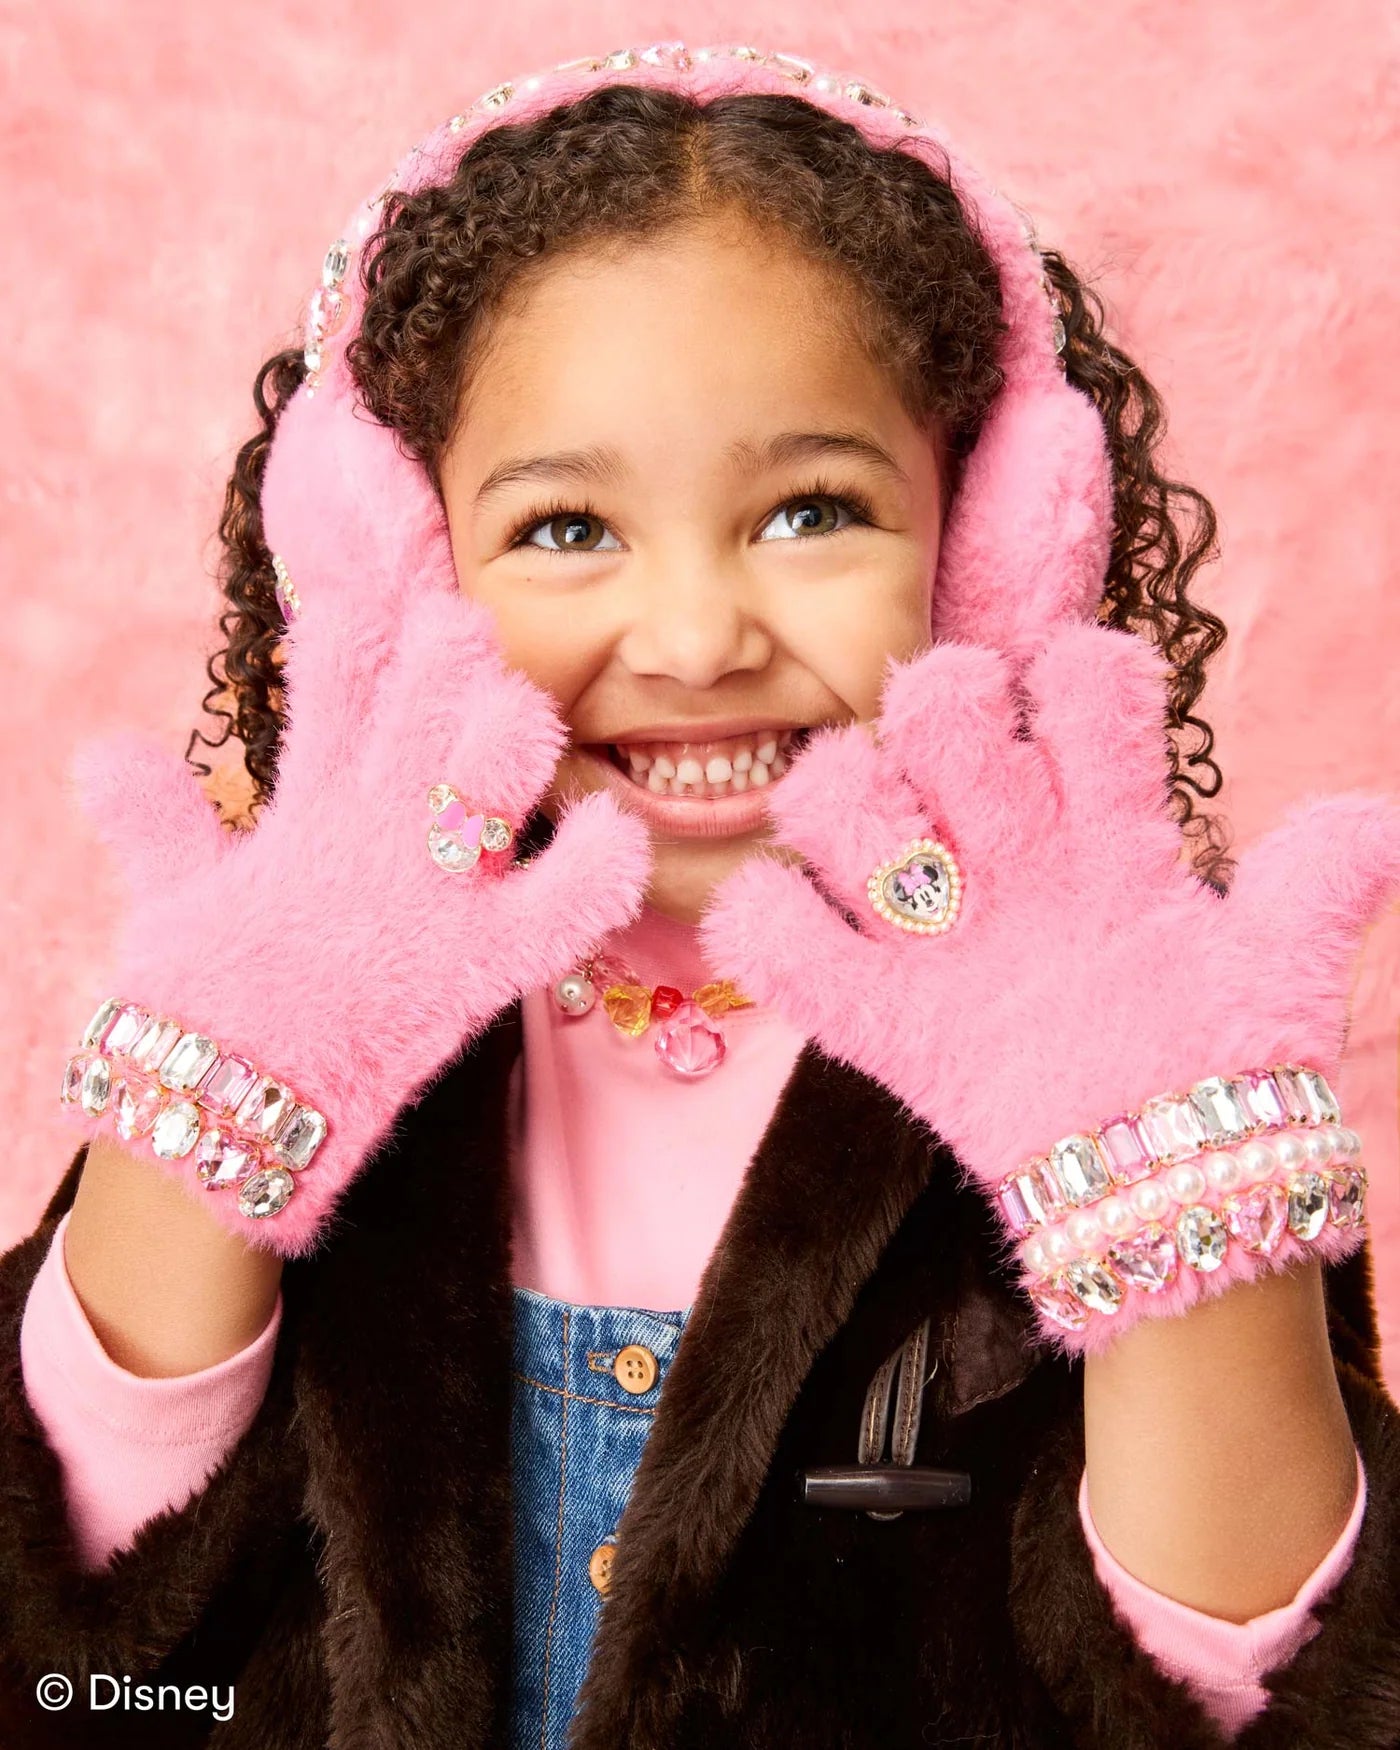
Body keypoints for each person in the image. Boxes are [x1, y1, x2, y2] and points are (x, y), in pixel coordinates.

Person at [3, 40, 1398, 1750]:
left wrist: (1166, 1174)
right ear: (402, 569)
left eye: (810, 510)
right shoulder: (292, 995)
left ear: (986, 553)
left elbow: (1265, 1706)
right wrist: (222, 1091)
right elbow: (69, 1654)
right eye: (565, 528)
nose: (692, 639)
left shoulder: (1133, 1015)